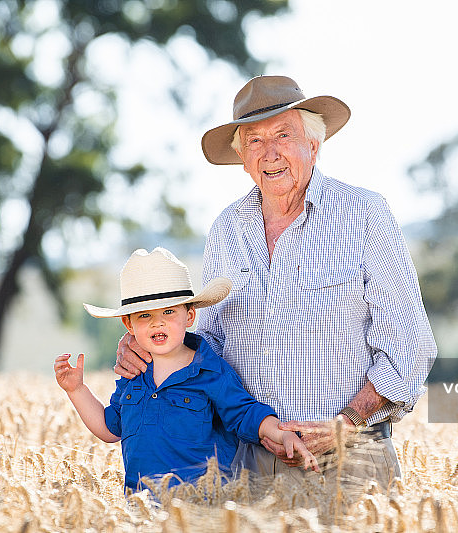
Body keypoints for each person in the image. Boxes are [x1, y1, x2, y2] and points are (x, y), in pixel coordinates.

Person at [115, 76, 437, 489]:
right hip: (243, 466)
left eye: (284, 134)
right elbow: (206, 345)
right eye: (253, 141)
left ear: (313, 145)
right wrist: (148, 342)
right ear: (243, 160)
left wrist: (347, 422)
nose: (270, 153)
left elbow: (409, 345)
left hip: (347, 462)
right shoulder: (226, 229)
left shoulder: (365, 215)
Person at [55, 247, 317, 492]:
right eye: (145, 315)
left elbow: (246, 413)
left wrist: (282, 433)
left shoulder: (209, 371)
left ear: (189, 316)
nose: (158, 322)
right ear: (129, 324)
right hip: (142, 512)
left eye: (168, 311)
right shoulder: (132, 374)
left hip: (200, 511)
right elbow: (109, 428)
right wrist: (76, 389)